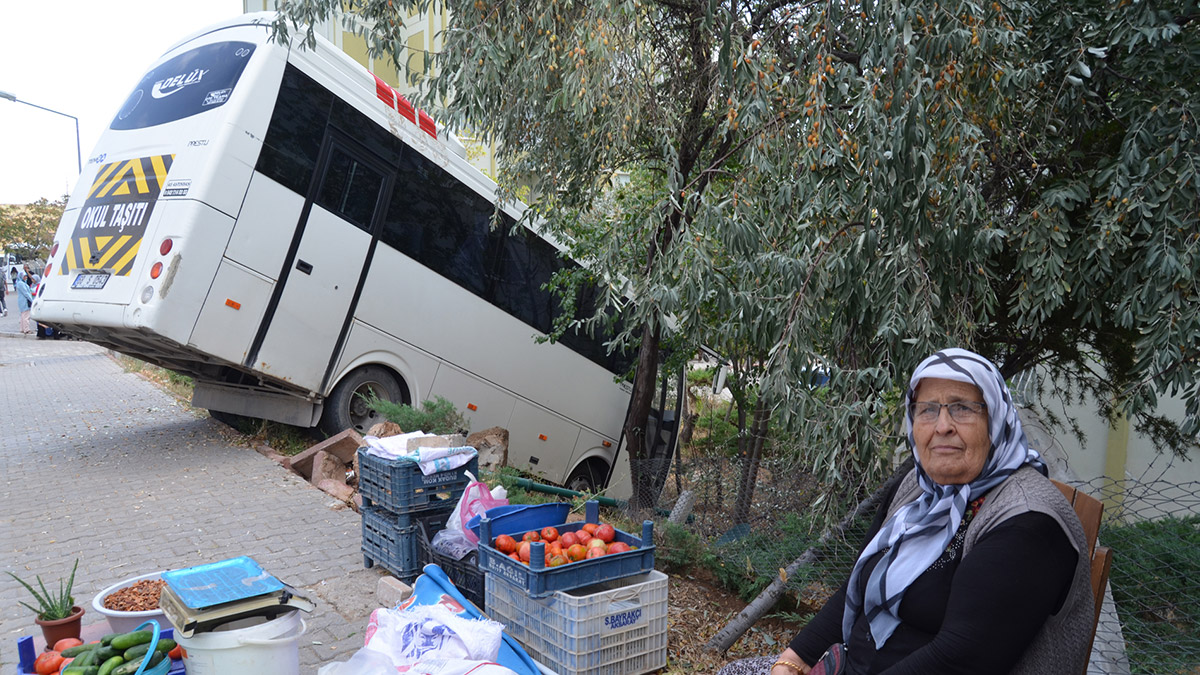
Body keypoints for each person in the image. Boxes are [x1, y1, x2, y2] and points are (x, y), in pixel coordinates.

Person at [720, 348, 1093, 675]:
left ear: (995, 420)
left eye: (962, 408)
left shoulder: (1028, 522)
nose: (942, 426)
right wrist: (794, 659)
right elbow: (859, 579)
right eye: (927, 410)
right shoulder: (920, 488)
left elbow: (960, 659)